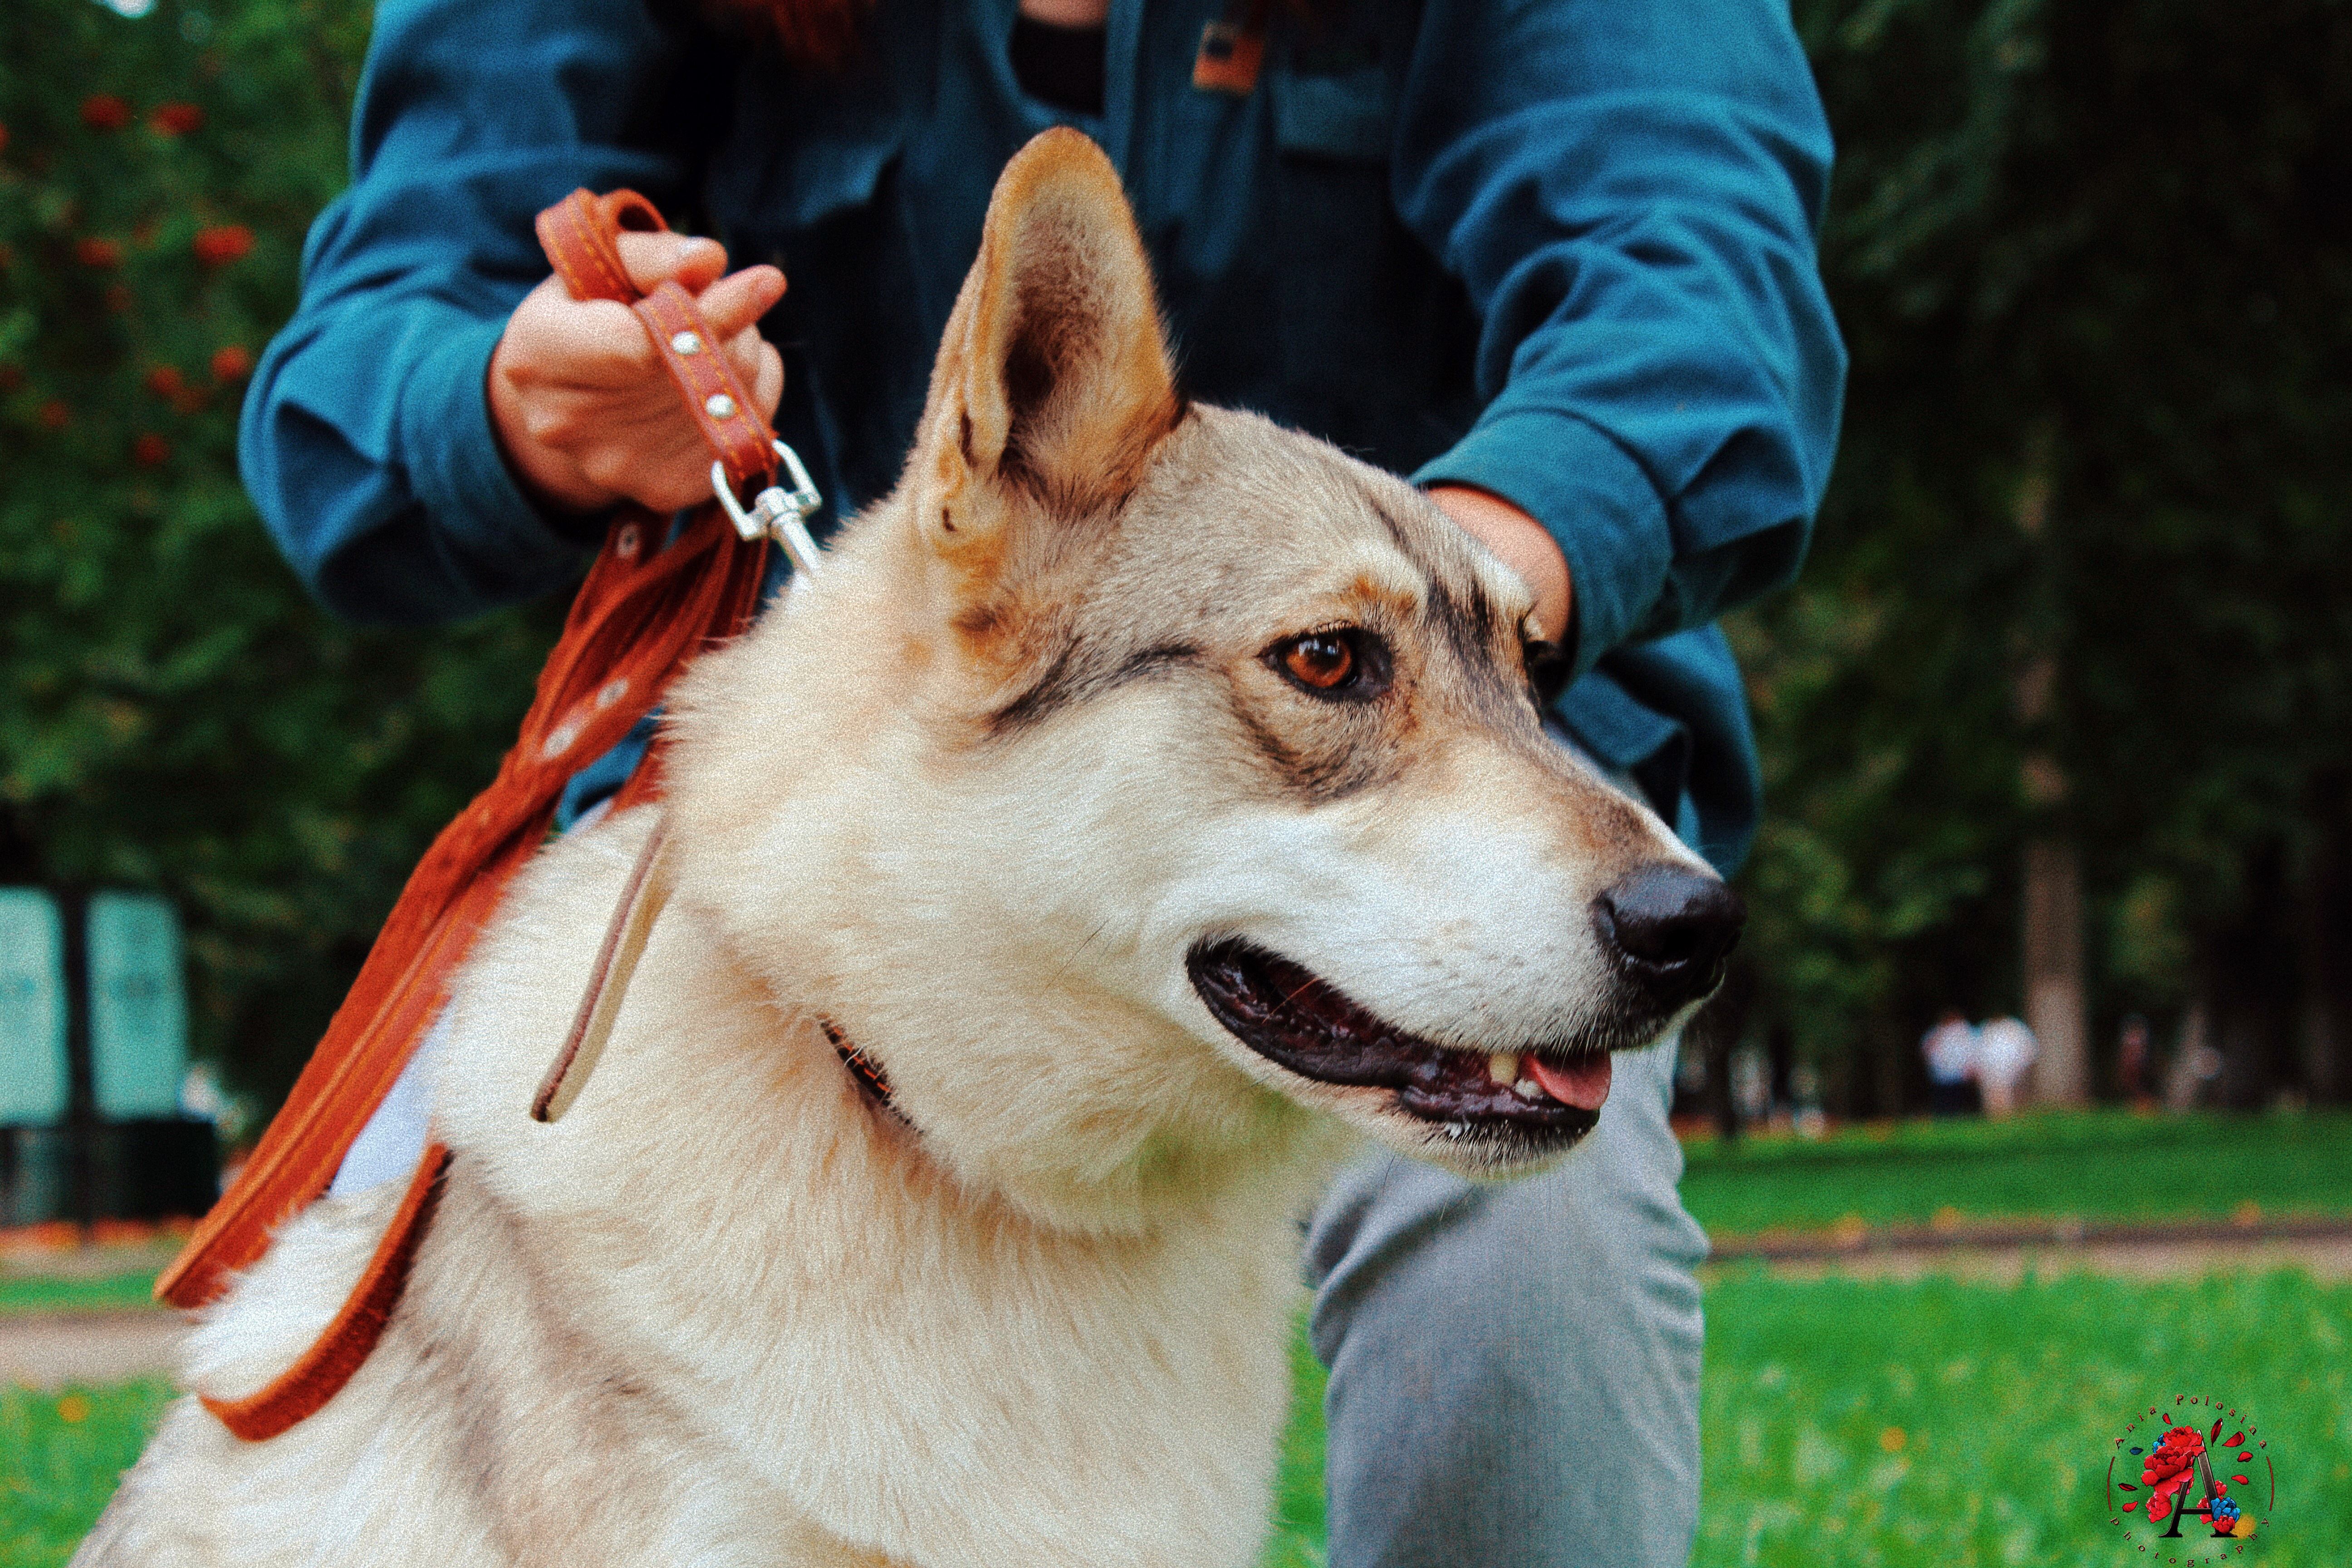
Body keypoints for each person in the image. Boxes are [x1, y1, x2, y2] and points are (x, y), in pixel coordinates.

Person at [241, 0, 1843, 1562]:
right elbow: (352, 375)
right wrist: (513, 403)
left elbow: (1696, 287)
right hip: (773, 890)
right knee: (362, 1384)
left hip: (1431, 813)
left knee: (1523, 1267)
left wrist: (1398, 601)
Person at [1921, 1008, 1982, 1117]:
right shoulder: (1936, 1032)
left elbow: (1974, 1049)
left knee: (1960, 1101)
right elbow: (1926, 1049)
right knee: (1944, 1101)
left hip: (1960, 1074)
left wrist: (1972, 1067)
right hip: (1942, 1075)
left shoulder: (1965, 1030)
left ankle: (1962, 1116)